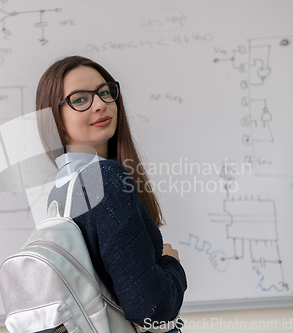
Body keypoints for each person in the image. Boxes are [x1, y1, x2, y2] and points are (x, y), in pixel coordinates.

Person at [36, 55, 187, 332]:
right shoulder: (104, 178)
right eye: (80, 99)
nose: (101, 104)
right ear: (54, 118)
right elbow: (151, 308)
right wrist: (171, 263)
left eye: (105, 92)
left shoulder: (59, 193)